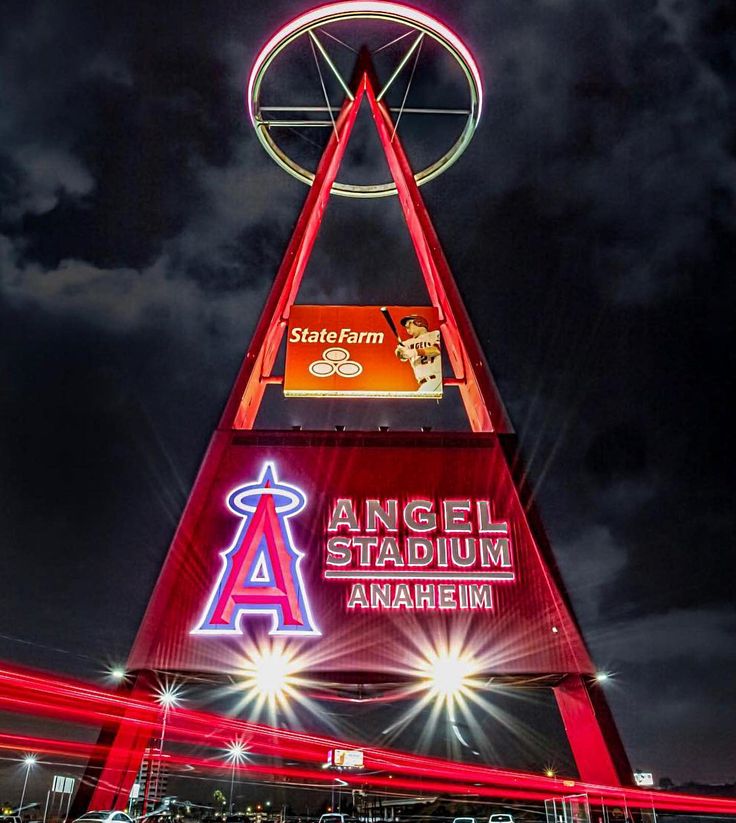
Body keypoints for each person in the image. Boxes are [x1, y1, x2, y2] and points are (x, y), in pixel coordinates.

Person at [394, 314, 442, 394]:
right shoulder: (407, 343)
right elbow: (400, 356)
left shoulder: (434, 334)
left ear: (418, 322)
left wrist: (414, 352)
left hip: (436, 378)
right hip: (424, 383)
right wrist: (401, 352)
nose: (406, 327)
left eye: (408, 323)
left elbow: (436, 350)